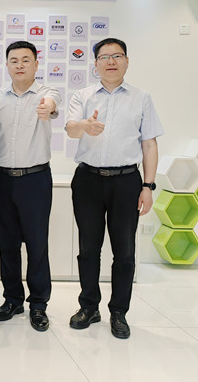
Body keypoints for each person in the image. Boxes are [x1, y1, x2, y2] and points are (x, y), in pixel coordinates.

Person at [65, 37, 163, 339]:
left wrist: (148, 186)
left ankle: (119, 312)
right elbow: (70, 129)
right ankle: (89, 307)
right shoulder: (82, 95)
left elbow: (149, 144)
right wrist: (85, 126)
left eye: (117, 56)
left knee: (125, 252)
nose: (111, 61)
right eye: (104, 57)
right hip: (88, 180)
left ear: (126, 61)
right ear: (95, 64)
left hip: (126, 182)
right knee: (88, 249)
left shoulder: (141, 98)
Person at [0, 41, 61, 331]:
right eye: (14, 60)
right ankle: (12, 299)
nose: (19, 65)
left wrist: (47, 109)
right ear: (7, 65)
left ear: (35, 64)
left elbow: (51, 106)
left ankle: (39, 304)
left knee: (37, 243)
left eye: (26, 60)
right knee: (6, 243)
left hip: (35, 179)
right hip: (1, 179)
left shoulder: (47, 93)